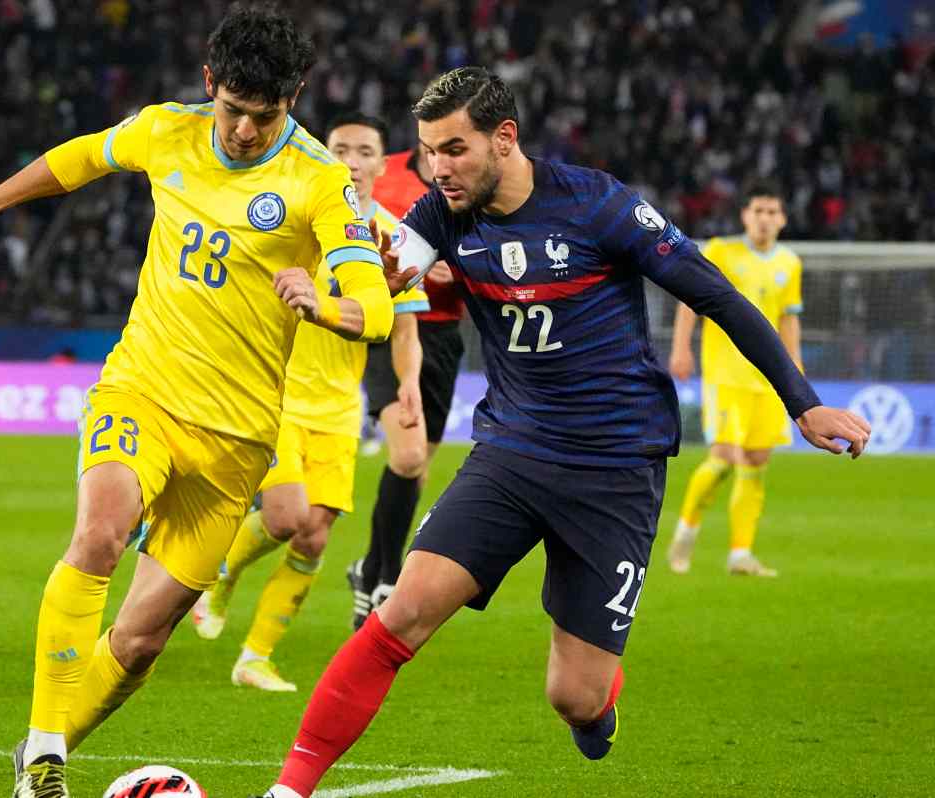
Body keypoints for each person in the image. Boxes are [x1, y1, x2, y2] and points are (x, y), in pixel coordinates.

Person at [254, 67, 870, 798]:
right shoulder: (441, 215)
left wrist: (803, 403)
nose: (437, 168)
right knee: (401, 613)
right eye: (427, 151)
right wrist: (325, 303)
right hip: (512, 452)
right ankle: (288, 790)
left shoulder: (597, 206)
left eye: (454, 149)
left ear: (504, 139)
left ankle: (595, 705)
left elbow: (717, 296)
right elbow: (380, 290)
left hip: (613, 468)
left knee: (573, 695)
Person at [0, 8, 397, 797]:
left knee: (142, 641)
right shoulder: (165, 130)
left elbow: (376, 309)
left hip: (238, 442)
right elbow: (79, 158)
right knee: (101, 532)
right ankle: (45, 761)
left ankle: (46, 747)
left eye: (266, 115)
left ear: (296, 97)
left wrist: (325, 304)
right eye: (234, 110)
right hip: (142, 389)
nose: (246, 131)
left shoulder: (318, 181)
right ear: (210, 83)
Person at [190, 112, 429, 691]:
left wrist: (408, 382)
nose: (351, 159)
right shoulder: (297, 214)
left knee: (315, 534)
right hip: (279, 394)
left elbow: (403, 330)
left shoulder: (398, 240)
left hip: (340, 407)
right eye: (340, 148)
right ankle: (218, 575)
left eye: (364, 150)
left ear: (381, 162)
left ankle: (254, 658)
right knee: (284, 515)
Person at [347, 142, 467, 629]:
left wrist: (455, 268)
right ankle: (386, 575)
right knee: (408, 454)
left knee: (417, 467)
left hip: (442, 333)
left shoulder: (468, 185)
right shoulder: (384, 172)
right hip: (390, 327)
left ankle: (369, 566)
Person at [666, 184, 803, 577]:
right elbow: (689, 301)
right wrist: (681, 348)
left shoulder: (790, 264)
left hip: (768, 380)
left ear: (782, 219)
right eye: (758, 209)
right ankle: (686, 531)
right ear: (745, 215)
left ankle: (740, 554)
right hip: (726, 375)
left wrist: (795, 370)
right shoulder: (720, 252)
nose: (764, 217)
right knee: (725, 458)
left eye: (772, 211)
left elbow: (789, 318)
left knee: (757, 463)